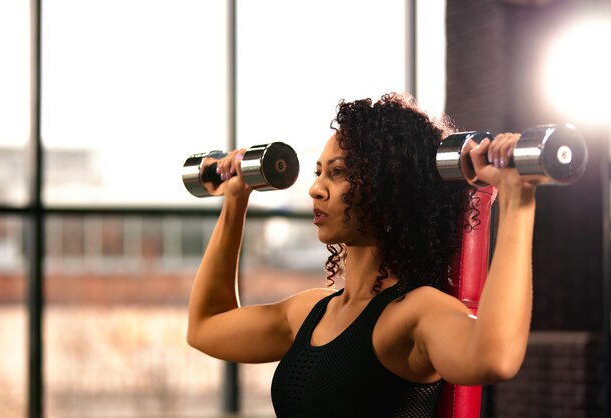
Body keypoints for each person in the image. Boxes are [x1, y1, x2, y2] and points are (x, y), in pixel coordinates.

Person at [186, 93, 536, 418]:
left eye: (338, 173)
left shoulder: (414, 314)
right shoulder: (310, 313)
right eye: (319, 171)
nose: (315, 189)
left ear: (389, 188)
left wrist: (517, 200)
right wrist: (235, 201)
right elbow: (206, 327)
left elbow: (494, 357)